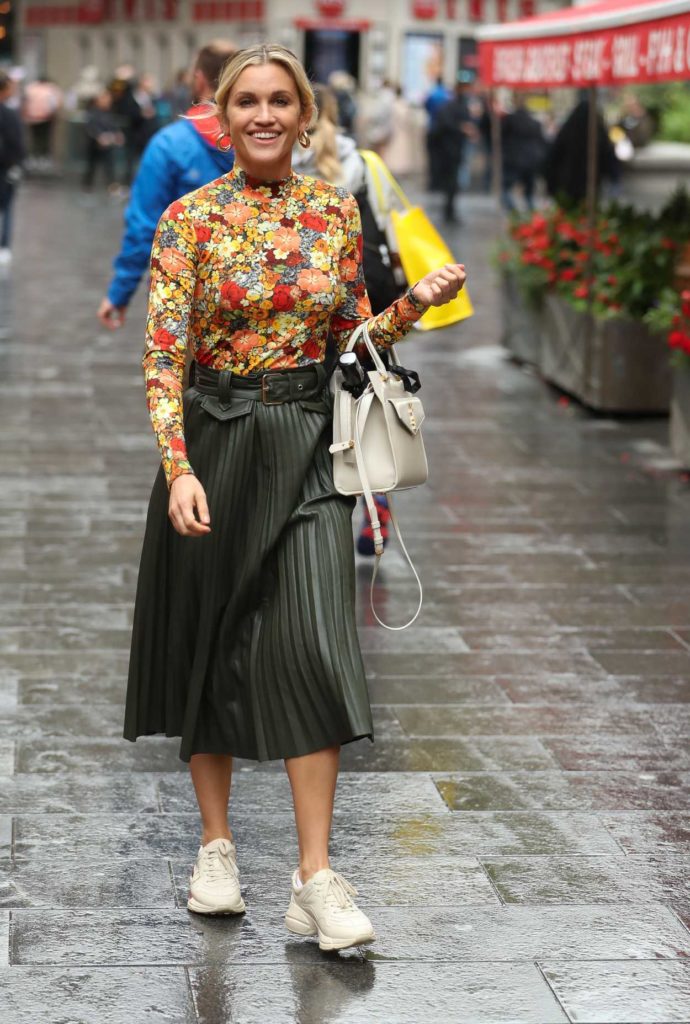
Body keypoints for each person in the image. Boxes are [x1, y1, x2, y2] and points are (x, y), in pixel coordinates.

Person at [123, 43, 466, 952]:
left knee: (318, 645)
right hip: (216, 447)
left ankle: (315, 877)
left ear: (304, 114)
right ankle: (216, 848)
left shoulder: (334, 212)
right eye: (248, 102)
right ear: (223, 116)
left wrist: (412, 307)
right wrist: (178, 466)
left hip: (310, 445)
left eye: (281, 101)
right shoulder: (189, 220)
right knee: (213, 643)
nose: (265, 115)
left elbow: (351, 336)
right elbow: (163, 356)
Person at [293, 83, 406, 555]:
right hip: (366, 294)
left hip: (300, 300)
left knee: (311, 397)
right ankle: (374, 492)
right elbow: (391, 222)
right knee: (363, 396)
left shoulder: (280, 162)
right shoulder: (362, 162)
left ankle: (316, 493)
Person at [97, 41, 236, 331]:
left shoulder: (170, 144)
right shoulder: (261, 141)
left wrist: (120, 292)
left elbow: (143, 223)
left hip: (182, 296)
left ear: (198, 79)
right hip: (255, 299)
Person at [543, 97, 618, 207]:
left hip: (567, 183)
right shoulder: (598, 132)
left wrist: (551, 185)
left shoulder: (567, 131)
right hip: (591, 184)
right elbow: (609, 158)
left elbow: (553, 158)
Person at [434, 79, 474, 224]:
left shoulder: (454, 106)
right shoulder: (452, 107)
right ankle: (448, 211)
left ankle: (449, 210)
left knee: (452, 182)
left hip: (453, 149)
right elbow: (446, 125)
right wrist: (462, 128)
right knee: (451, 182)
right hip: (451, 149)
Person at [500, 98, 546, 214]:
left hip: (513, 158)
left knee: (507, 186)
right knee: (529, 188)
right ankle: (530, 209)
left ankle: (512, 208)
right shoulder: (535, 124)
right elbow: (542, 141)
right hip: (531, 159)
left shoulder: (509, 121)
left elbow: (502, 137)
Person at [0, 70, 26, 264]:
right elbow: (17, 144)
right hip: (5, 168)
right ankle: (4, 246)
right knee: (7, 208)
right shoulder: (9, 114)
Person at [82, 89, 124, 192]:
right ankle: (87, 184)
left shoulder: (108, 112)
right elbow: (90, 127)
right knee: (91, 166)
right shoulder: (92, 112)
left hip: (107, 144)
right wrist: (98, 137)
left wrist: (117, 134)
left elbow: (113, 126)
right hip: (94, 144)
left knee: (109, 165)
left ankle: (112, 185)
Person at [22, 76, 62, 170]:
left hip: (32, 117)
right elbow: (54, 104)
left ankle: (34, 158)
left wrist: (25, 115)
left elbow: (25, 102)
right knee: (45, 138)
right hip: (46, 118)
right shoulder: (51, 88)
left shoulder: (31, 88)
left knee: (34, 138)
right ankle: (44, 158)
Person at [423, 76, 450, 190]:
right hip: (444, 131)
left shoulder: (433, 94)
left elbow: (426, 106)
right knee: (443, 157)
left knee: (433, 157)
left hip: (433, 128)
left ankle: (434, 182)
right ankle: (441, 181)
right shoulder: (447, 95)